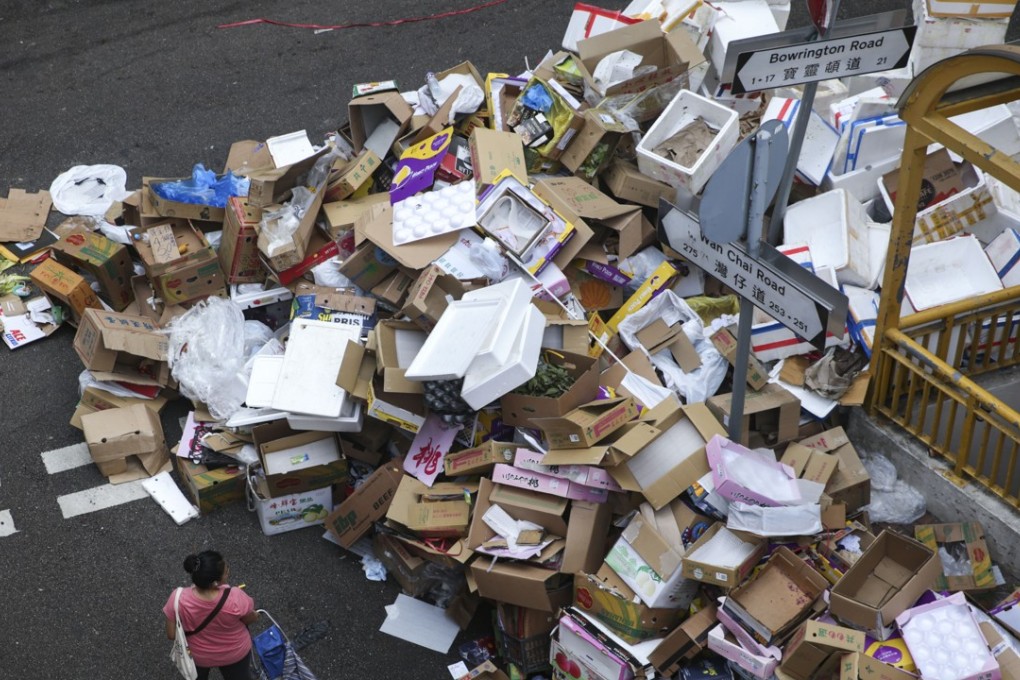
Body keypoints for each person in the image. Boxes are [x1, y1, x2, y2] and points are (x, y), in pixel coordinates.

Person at [163, 551, 258, 680]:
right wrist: (256, 615)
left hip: (198, 656)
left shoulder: (178, 598)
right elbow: (250, 618)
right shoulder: (235, 597)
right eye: (226, 570)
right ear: (215, 583)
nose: (228, 572)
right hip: (235, 653)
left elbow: (171, 634)